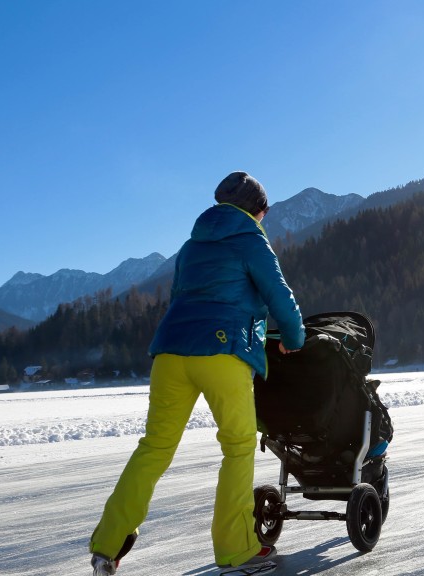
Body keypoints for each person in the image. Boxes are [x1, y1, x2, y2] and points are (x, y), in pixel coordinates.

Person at [89, 171, 306, 576]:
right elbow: (279, 293)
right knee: (239, 446)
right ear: (256, 209)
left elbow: (181, 299)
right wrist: (294, 337)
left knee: (154, 447)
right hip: (222, 353)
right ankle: (236, 550)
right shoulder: (250, 238)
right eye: (263, 213)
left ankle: (107, 545)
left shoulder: (191, 245)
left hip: (170, 353)